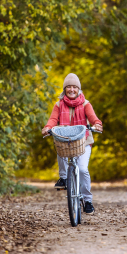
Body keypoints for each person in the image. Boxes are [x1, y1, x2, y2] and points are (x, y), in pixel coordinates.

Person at [42, 73, 103, 214]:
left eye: (74, 87)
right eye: (68, 87)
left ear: (78, 89)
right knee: (60, 148)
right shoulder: (58, 105)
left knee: (82, 169)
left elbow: (93, 118)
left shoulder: (85, 104)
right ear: (64, 89)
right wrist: (47, 128)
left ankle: (87, 200)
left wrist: (97, 124)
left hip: (83, 141)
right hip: (65, 141)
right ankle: (63, 178)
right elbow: (53, 120)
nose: (71, 90)